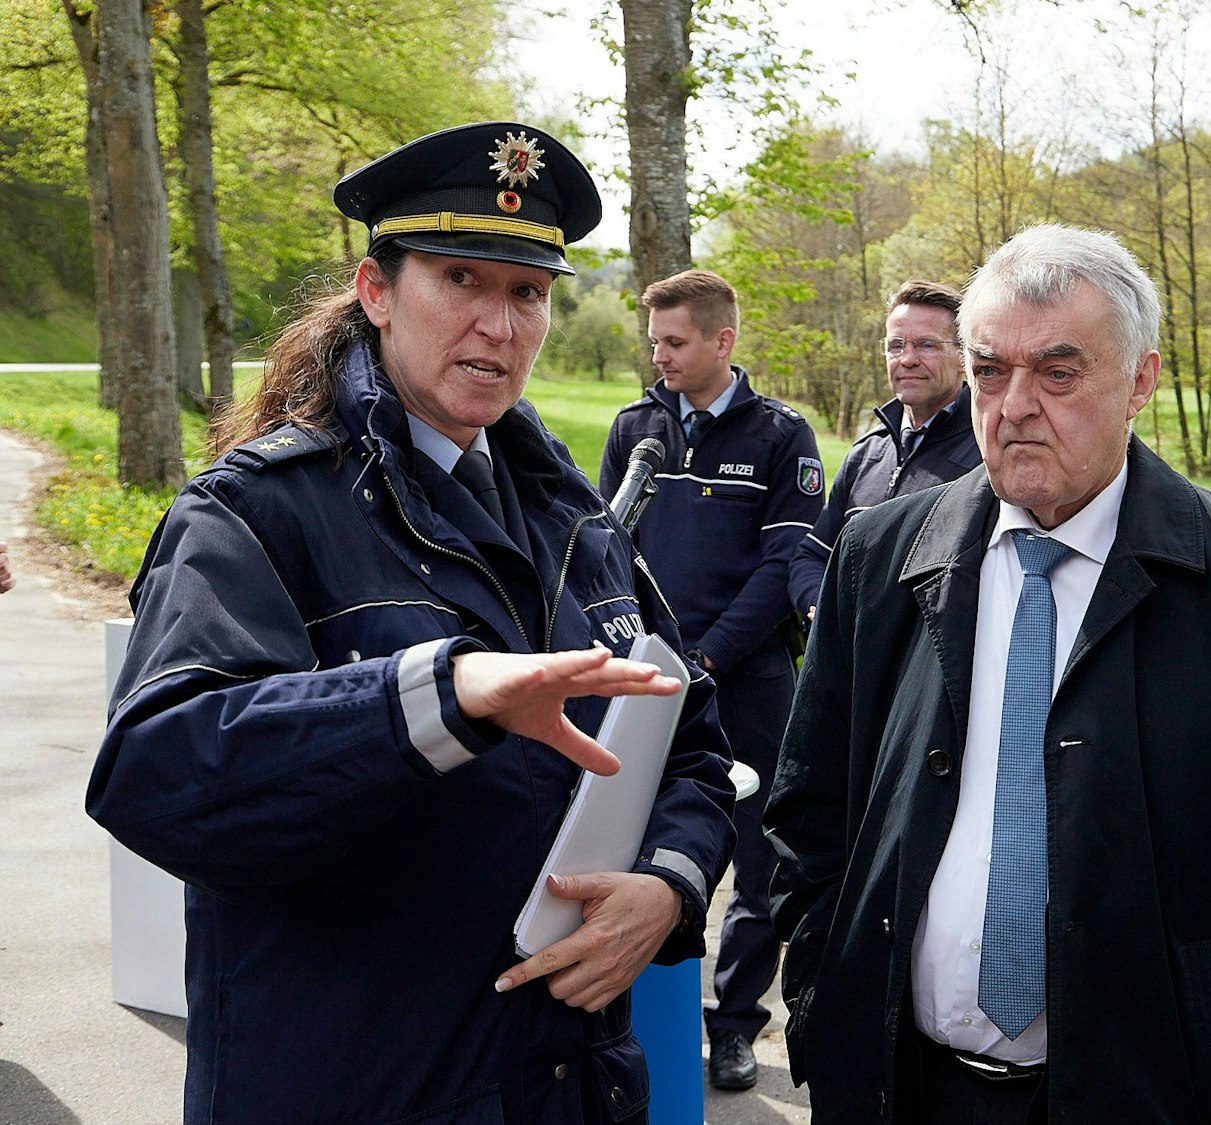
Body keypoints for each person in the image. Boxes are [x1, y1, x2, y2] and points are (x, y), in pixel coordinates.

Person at [87, 122, 737, 1125]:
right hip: (354, 1086)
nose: (499, 323)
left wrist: (666, 891)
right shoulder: (257, 512)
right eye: (460, 280)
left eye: (527, 293)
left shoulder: (574, 519)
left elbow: (692, 749)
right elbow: (156, 772)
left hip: (564, 1087)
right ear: (377, 292)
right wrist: (435, 700)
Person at [766, 224, 1211, 1123]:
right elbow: (810, 810)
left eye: (1059, 373)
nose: (1015, 406)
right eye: (991, 371)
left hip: (1143, 1096)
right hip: (897, 1084)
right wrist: (821, 994)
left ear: (1142, 381)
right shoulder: (879, 556)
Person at [600, 269, 821, 1091]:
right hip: (650, 680)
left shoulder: (781, 436)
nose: (660, 357)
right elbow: (605, 546)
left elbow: (782, 565)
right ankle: (636, 1012)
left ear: (722, 341)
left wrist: (709, 658)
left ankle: (733, 1027)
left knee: (759, 864)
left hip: (749, 682)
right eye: (654, 342)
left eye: (675, 342)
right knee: (637, 844)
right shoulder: (635, 429)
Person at [787, 279, 981, 620]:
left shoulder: (985, 454)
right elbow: (813, 556)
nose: (907, 359)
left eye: (926, 346)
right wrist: (822, 609)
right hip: (855, 662)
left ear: (963, 356)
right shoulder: (866, 454)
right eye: (896, 346)